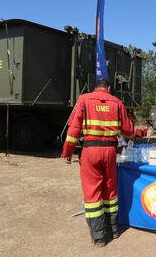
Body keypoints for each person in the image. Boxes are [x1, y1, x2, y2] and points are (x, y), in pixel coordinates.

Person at [61, 78, 133, 247]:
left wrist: (68, 151)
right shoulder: (116, 102)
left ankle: (100, 238)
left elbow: (74, 130)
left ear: (96, 87)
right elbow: (128, 130)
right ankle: (114, 231)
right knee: (110, 191)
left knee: (93, 195)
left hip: (90, 152)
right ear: (108, 88)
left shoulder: (84, 99)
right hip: (110, 151)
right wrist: (134, 135)